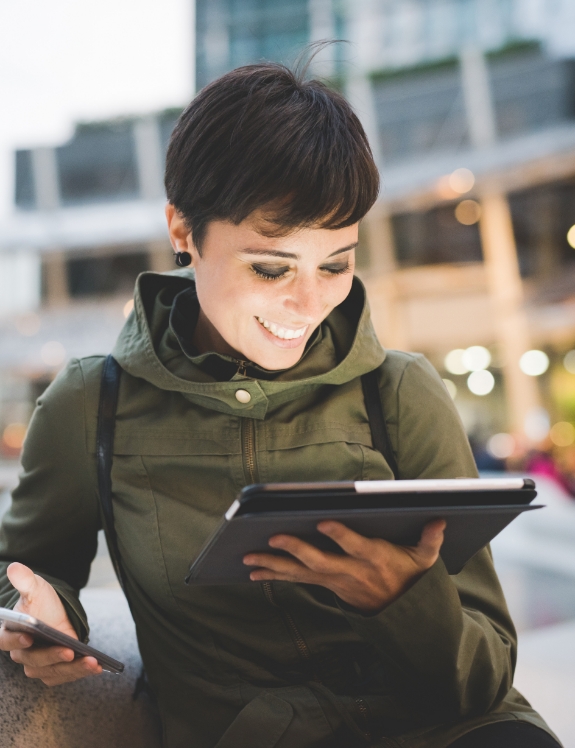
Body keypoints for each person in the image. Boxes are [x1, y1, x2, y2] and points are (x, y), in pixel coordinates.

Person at [0, 60, 562, 748]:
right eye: (271, 267)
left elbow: (485, 678)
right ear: (182, 228)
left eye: (335, 263)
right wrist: (43, 613)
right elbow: (21, 570)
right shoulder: (93, 401)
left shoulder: (401, 391)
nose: (308, 303)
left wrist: (402, 601)